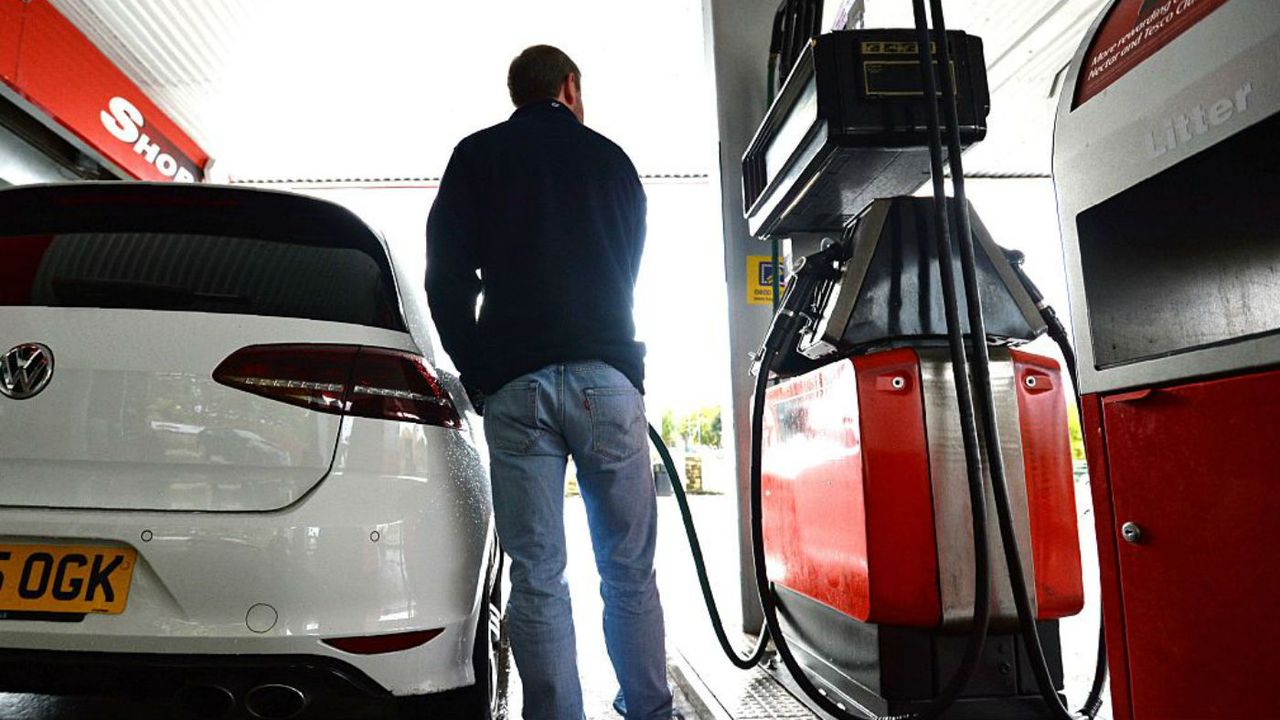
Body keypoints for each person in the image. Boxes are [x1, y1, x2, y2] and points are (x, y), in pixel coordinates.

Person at [426, 45, 675, 720]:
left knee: (537, 576)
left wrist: (481, 374)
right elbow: (626, 267)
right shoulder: (613, 161)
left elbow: (445, 280)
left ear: (519, 94)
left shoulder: (478, 156)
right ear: (570, 87)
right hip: (607, 381)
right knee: (628, 569)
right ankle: (649, 709)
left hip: (518, 386)